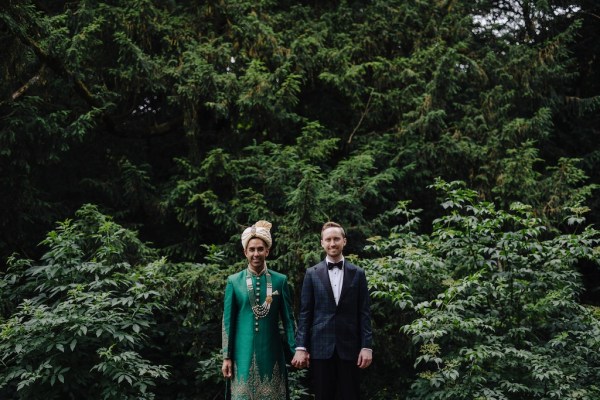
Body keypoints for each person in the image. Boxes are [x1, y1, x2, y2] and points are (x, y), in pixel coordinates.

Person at [291, 221, 373, 400]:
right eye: (328, 239)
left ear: (344, 241)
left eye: (336, 239)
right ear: (322, 243)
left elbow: (364, 312)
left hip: (350, 348)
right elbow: (305, 313)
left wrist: (366, 346)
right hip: (320, 348)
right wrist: (300, 347)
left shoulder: (358, 273)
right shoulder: (312, 273)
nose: (332, 243)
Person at [221, 220, 296, 399]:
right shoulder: (234, 281)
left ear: (267, 251)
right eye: (252, 250)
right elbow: (227, 322)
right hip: (241, 353)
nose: (256, 254)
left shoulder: (280, 280)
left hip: (272, 352)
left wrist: (296, 350)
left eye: (260, 249)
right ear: (245, 252)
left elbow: (288, 320)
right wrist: (226, 356)